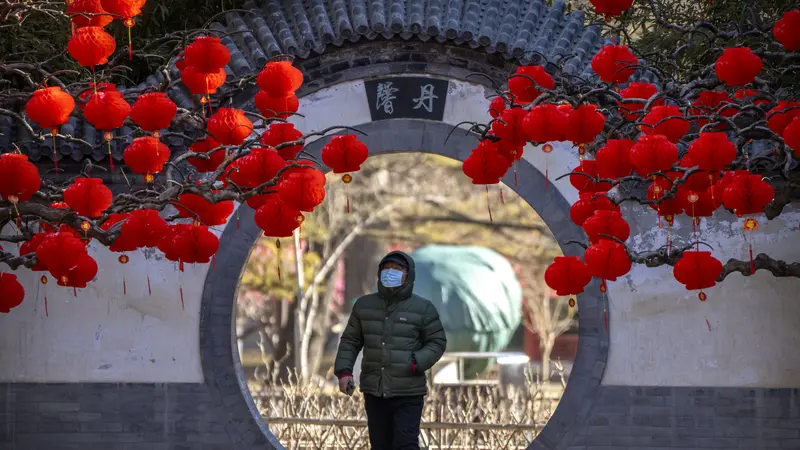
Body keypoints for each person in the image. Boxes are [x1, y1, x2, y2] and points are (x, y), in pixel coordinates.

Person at [334, 251, 447, 450]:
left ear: (408, 275)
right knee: (380, 445)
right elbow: (350, 341)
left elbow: (437, 342)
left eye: (397, 269)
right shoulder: (364, 306)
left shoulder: (423, 308)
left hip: (408, 392)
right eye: (387, 268)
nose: (390, 273)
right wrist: (344, 372)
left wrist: (416, 361)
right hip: (374, 390)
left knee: (405, 445)